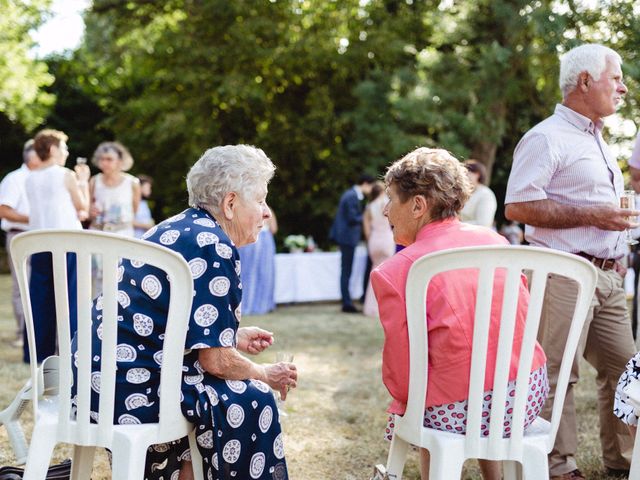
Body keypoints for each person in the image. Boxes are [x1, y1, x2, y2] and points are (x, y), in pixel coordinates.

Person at [72, 145, 297, 480]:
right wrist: (264, 373)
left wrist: (230, 334)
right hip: (132, 390)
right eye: (261, 200)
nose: (266, 212)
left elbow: (158, 322)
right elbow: (216, 361)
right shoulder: (214, 245)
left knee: (217, 393)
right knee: (252, 397)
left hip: (94, 380)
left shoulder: (175, 228)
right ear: (230, 204)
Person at [371, 147, 548, 480]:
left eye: (391, 199)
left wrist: (403, 403)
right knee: (474, 375)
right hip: (527, 392)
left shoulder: (395, 271)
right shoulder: (493, 240)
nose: (385, 210)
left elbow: (402, 373)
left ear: (418, 205)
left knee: (425, 396)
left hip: (461, 411)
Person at [504, 43, 636, 480]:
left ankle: (623, 461)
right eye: (615, 78)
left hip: (609, 277)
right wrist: (594, 215)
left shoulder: (598, 138)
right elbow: (518, 207)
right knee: (559, 373)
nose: (623, 86)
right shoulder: (545, 137)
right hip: (560, 271)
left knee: (625, 371)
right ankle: (558, 467)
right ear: (584, 81)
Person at [25, 129, 90, 364]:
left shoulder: (30, 177)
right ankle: (71, 349)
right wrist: (83, 182)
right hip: (66, 241)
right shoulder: (66, 174)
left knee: (40, 300)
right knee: (71, 297)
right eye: (63, 147)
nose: (66, 151)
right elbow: (82, 208)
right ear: (52, 149)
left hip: (38, 241)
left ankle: (36, 353)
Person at [0, 140, 42, 345]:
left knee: (40, 286)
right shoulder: (15, 179)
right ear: (32, 156)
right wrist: (34, 218)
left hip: (42, 236)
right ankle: (22, 333)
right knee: (22, 285)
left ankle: (39, 333)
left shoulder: (45, 178)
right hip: (19, 235)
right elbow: (4, 210)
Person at [329, 174, 375, 313]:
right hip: (347, 238)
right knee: (346, 270)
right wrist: (369, 216)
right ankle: (347, 303)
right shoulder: (351, 196)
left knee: (346, 270)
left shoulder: (352, 195)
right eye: (371, 186)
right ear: (366, 184)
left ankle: (347, 301)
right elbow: (352, 218)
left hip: (348, 238)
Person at [89, 141, 141, 237]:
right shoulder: (94, 181)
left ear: (120, 161)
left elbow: (134, 211)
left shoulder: (132, 183)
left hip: (123, 234)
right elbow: (87, 208)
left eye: (109, 159)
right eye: (102, 159)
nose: (104, 163)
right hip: (97, 233)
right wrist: (90, 211)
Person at [362, 181, 395, 317]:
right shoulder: (386, 202)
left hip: (374, 240)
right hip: (386, 238)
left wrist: (371, 238)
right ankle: (385, 307)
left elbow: (366, 228)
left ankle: (370, 308)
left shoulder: (369, 207)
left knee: (374, 272)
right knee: (387, 272)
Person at [238, 209, 278, 315]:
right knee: (265, 273)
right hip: (265, 242)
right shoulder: (268, 210)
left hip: (248, 241)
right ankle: (263, 304)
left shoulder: (245, 208)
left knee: (246, 273)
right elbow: (273, 229)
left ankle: (245, 304)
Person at [459, 160, 497, 227]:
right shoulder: (461, 193)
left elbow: (484, 224)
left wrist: (457, 226)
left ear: (477, 174)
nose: (463, 176)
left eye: (466, 172)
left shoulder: (486, 195)